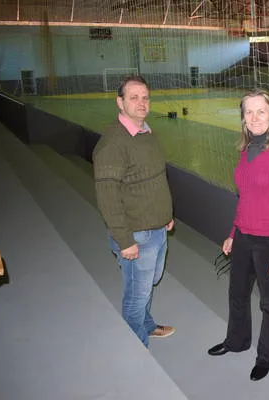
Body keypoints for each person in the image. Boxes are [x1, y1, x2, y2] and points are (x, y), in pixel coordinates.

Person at [207, 88, 269, 381]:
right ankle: (236, 341)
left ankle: (267, 357)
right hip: (244, 237)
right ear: (242, 118)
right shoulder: (245, 151)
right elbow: (245, 198)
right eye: (249, 111)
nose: (255, 117)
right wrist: (233, 233)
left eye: (261, 111)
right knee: (237, 294)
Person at [93, 75, 175, 348]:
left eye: (145, 97)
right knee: (137, 294)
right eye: (133, 97)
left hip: (157, 228)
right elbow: (108, 197)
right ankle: (136, 346)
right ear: (120, 102)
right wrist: (124, 240)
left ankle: (147, 325)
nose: (141, 103)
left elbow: (153, 179)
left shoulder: (145, 133)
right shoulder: (113, 143)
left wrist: (166, 215)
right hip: (136, 235)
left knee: (148, 283)